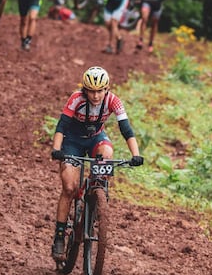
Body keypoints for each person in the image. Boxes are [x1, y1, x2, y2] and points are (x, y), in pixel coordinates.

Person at [50, 66, 144, 259]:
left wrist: (136, 154)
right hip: (73, 141)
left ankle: (97, 193)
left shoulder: (114, 101)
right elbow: (62, 126)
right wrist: (57, 149)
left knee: (107, 152)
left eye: (100, 90)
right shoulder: (76, 99)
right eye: (91, 91)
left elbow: (126, 129)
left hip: (95, 137)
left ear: (106, 88)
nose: (95, 95)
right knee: (69, 187)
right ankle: (59, 236)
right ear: (85, 90)